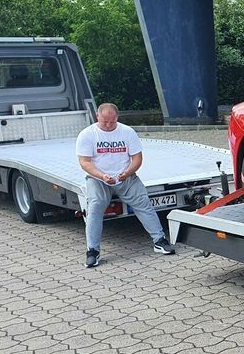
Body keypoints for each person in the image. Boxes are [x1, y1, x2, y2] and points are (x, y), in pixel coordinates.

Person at [75, 102, 175, 268]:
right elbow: (84, 162)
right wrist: (102, 175)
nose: (108, 125)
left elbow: (137, 158)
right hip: (98, 178)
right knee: (95, 206)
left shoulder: (127, 132)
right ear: (97, 116)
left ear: (117, 118)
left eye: (112, 122)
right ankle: (92, 251)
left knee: (143, 203)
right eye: (104, 121)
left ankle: (159, 240)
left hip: (126, 177)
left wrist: (127, 172)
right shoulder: (87, 134)